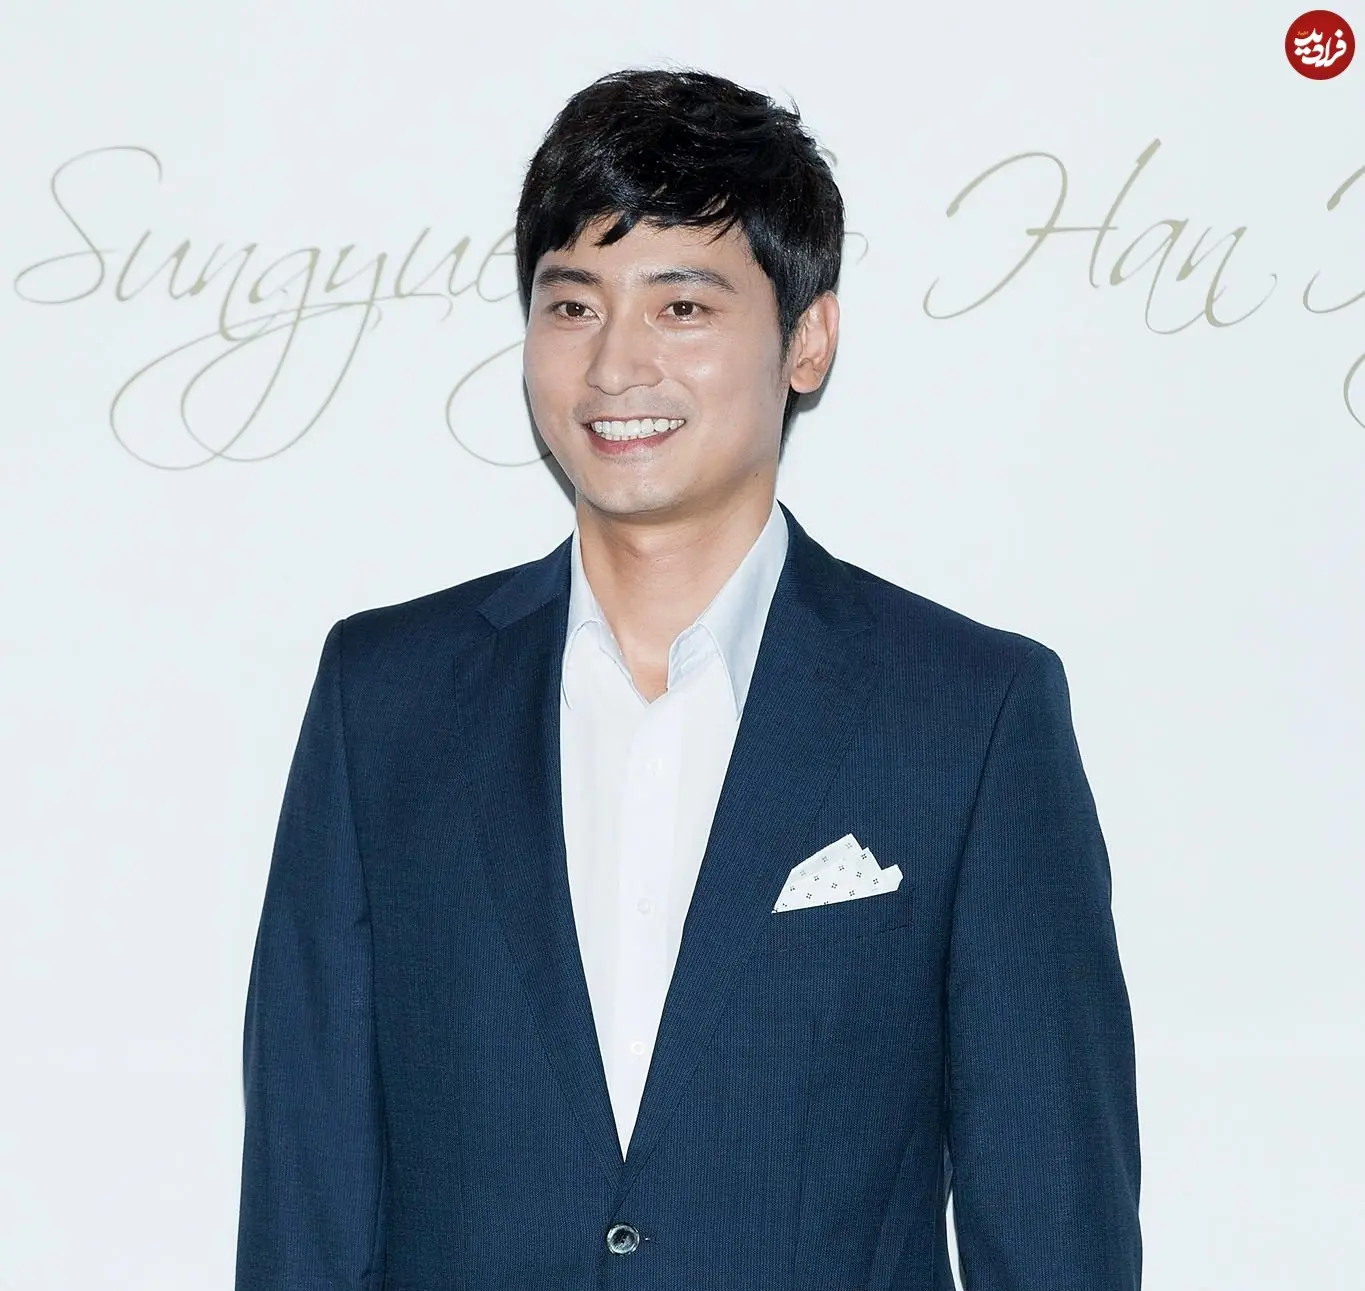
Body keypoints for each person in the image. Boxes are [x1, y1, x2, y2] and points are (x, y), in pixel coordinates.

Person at [235, 68, 1141, 1291]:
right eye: (573, 306)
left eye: (681, 306)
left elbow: (1053, 1213)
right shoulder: (384, 698)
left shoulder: (971, 713)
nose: (616, 366)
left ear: (807, 340)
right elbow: (306, 1188)